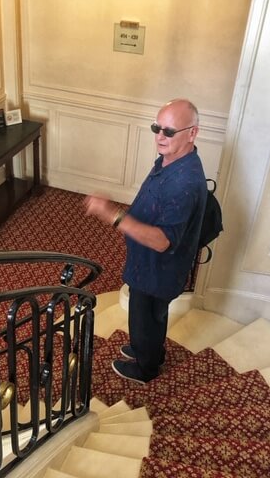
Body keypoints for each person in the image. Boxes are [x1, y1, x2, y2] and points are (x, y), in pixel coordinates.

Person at [84, 99, 207, 384]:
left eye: (169, 131)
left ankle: (146, 367)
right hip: (148, 265)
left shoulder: (184, 183)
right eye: (157, 128)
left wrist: (111, 214)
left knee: (144, 316)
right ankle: (150, 349)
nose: (160, 137)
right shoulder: (172, 158)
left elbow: (163, 241)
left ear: (192, 133)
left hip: (157, 270)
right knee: (152, 317)